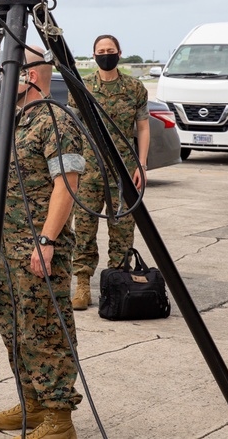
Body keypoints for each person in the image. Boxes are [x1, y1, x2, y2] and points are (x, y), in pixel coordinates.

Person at [0, 47, 85, 438]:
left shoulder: (55, 121)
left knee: (44, 331)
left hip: (38, 248)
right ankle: (33, 404)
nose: (0, 78)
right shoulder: (14, 120)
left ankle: (59, 419)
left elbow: (67, 185)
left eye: (7, 69)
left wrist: (46, 241)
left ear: (29, 75)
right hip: (7, 250)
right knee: (14, 330)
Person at [68, 34, 149, 311]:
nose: (106, 54)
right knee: (85, 229)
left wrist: (142, 164)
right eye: (101, 51)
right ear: (94, 55)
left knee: (123, 230)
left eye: (110, 50)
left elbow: (143, 128)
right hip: (89, 169)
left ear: (119, 53)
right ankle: (81, 284)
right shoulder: (82, 88)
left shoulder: (135, 88)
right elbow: (72, 129)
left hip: (124, 170)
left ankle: (116, 283)